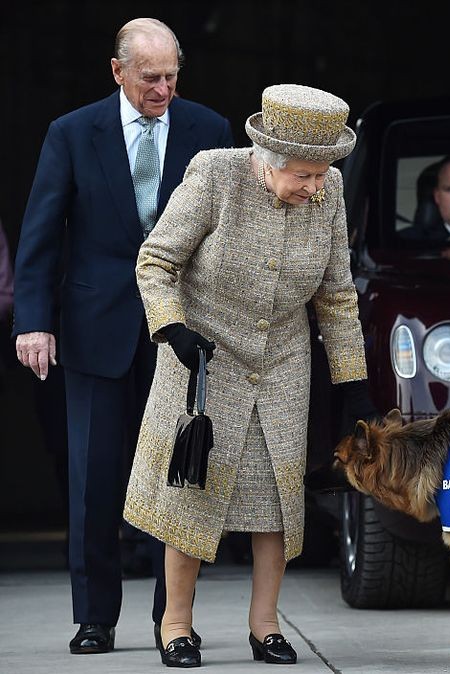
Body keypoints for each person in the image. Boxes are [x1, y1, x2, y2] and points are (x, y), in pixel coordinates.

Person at [123, 83, 375, 668]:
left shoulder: (329, 189)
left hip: (282, 363)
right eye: (304, 176)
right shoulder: (216, 175)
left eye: (322, 174)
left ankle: (265, 627)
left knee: (277, 501)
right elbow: (156, 261)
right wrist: (172, 329)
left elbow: (336, 294)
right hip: (203, 358)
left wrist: (351, 379)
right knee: (191, 495)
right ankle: (176, 624)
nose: (315, 187)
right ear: (267, 162)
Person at [11, 18, 233, 655]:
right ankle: (95, 617)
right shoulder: (73, 133)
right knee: (94, 477)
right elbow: (41, 234)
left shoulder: (208, 130)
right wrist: (33, 321)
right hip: (95, 324)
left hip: (181, 330)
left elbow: (221, 237)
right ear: (118, 72)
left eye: (171, 76)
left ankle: (174, 619)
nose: (163, 89)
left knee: (179, 478)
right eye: (150, 78)